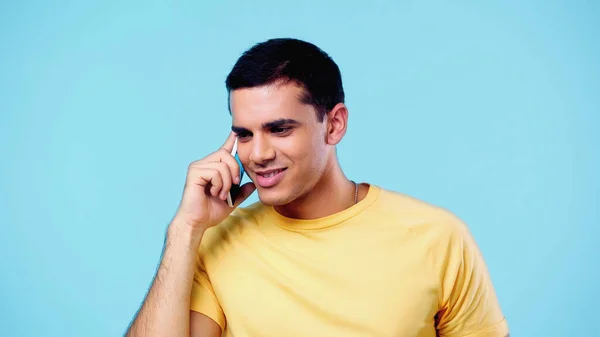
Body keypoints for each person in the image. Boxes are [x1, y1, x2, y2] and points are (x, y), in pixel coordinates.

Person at [126, 38, 510, 337]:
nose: (257, 154)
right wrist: (185, 230)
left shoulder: (438, 238)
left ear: (335, 124)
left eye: (279, 129)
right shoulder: (216, 242)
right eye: (244, 134)